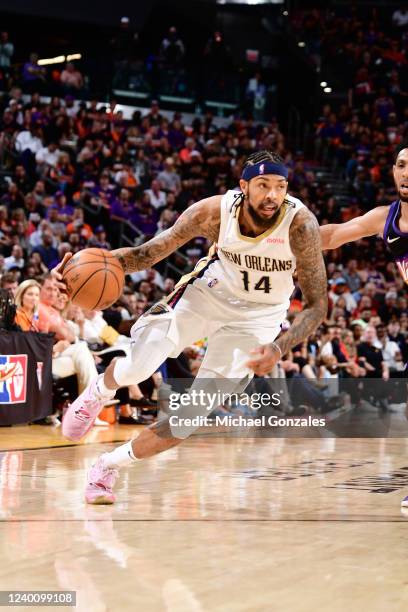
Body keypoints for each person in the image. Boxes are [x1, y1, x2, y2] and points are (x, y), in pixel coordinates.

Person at [53, 150, 327, 505]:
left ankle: (106, 466)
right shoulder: (213, 212)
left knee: (187, 418)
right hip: (208, 295)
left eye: (280, 186)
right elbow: (148, 253)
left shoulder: (301, 225)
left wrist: (279, 347)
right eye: (263, 185)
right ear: (244, 186)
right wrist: (77, 268)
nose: (272, 195)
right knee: (140, 364)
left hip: (258, 320)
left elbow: (318, 305)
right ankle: (100, 390)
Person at [320, 141, 408, 509]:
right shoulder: (383, 218)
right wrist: (276, 239)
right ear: (393, 171)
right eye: (402, 164)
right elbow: (335, 234)